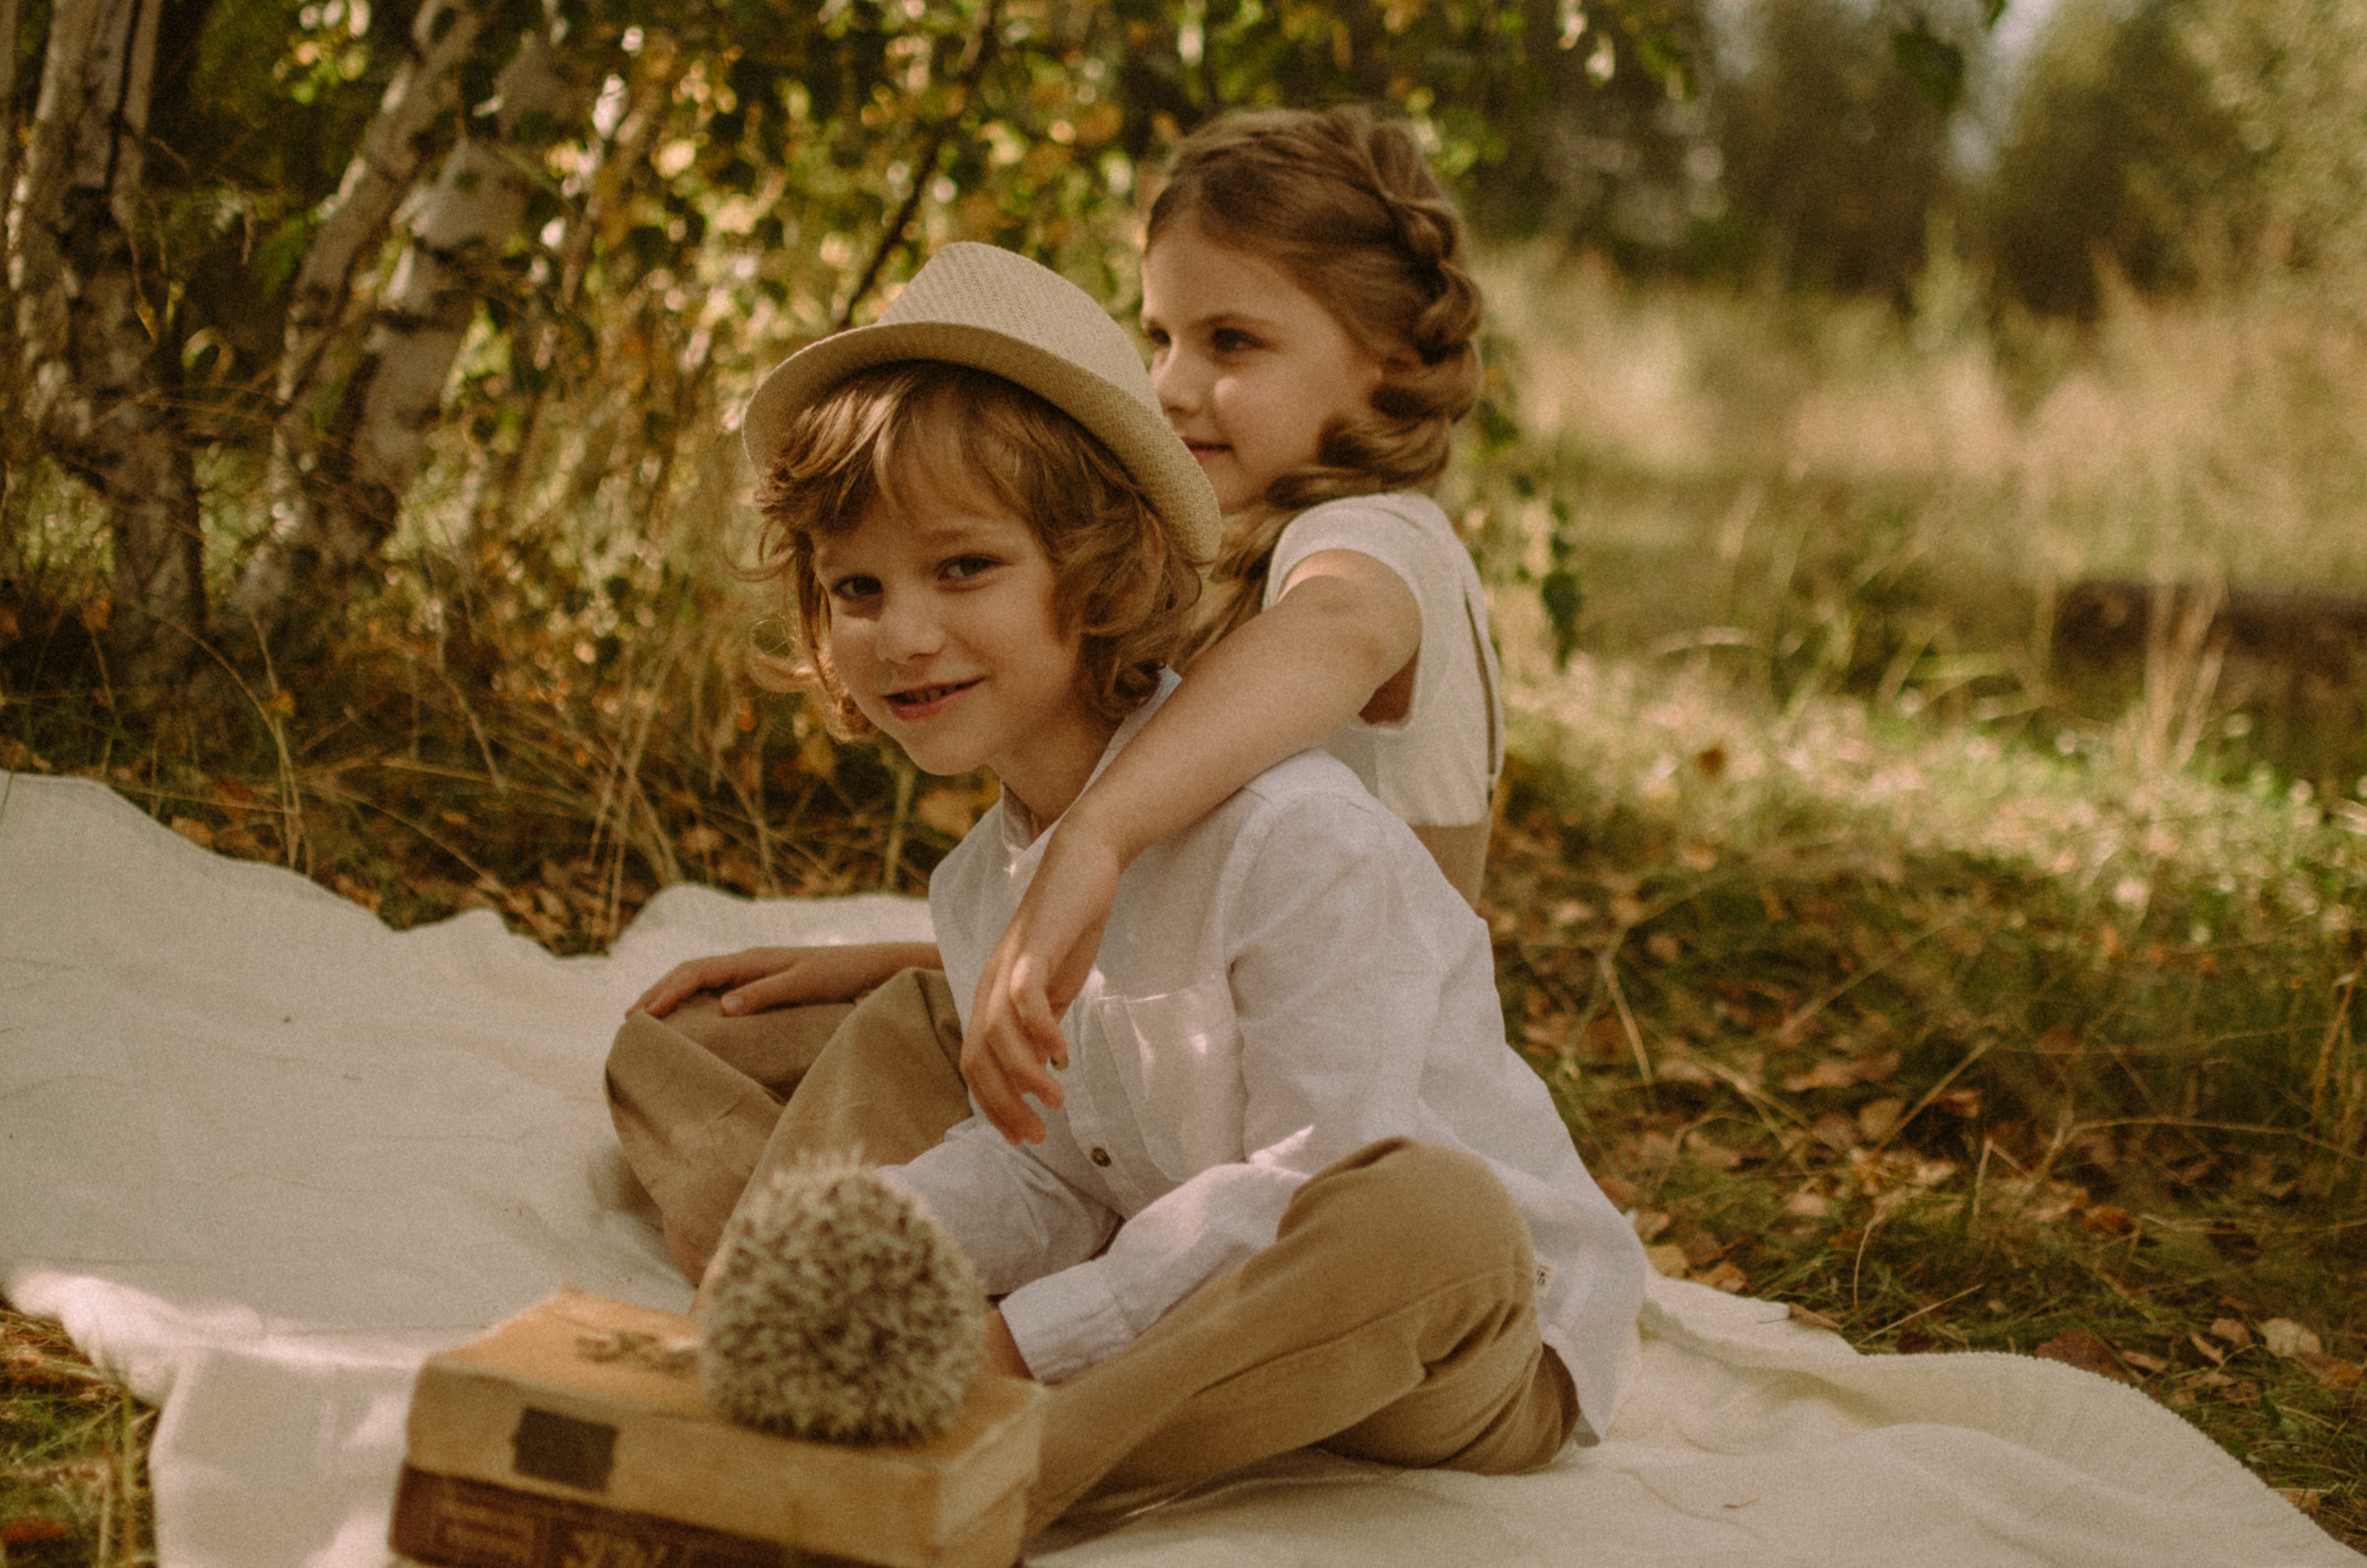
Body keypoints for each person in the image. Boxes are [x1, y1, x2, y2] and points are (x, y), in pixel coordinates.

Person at [693, 239, 1643, 1533]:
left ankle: (987, 1481)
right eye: (857, 587)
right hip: (1198, 1294)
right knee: (719, 1056)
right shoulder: (983, 883)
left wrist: (1010, 1348)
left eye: (963, 568)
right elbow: (1044, 1175)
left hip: (1440, 1327)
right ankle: (780, 1317)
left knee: (1429, 1211)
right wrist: (888, 1246)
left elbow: (1298, 1185)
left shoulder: (1294, 834)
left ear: (1099, 577)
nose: (901, 633)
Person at [609, 107, 1503, 1231]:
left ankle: (820, 1277)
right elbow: (1163, 923)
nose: (1173, 385)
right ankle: (837, 1255)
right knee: (698, 1042)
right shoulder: (1229, 554)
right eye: (1161, 336)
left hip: (1314, 1089)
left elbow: (1331, 639)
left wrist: (1095, 835)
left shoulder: (1379, 543)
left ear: (1394, 365)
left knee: (889, 1052)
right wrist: (939, 951)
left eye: (1233, 343)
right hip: (1151, 1036)